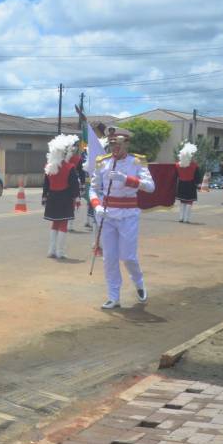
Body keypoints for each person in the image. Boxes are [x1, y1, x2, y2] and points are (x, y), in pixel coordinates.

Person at [89, 127, 154, 309]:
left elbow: (150, 187)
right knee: (109, 257)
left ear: (126, 143)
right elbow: (93, 188)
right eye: (111, 144)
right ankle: (113, 296)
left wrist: (126, 179)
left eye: (117, 144)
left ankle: (139, 282)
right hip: (108, 214)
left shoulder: (137, 162)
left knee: (128, 257)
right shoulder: (102, 162)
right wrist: (97, 205)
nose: (114, 148)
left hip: (128, 214)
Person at [42, 134, 81, 259]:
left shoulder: (49, 167)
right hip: (64, 197)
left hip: (52, 197)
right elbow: (74, 185)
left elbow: (46, 184)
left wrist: (44, 197)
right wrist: (77, 198)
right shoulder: (70, 167)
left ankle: (51, 250)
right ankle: (60, 251)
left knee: (54, 223)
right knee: (63, 224)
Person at [175, 142, 201, 223]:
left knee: (182, 201)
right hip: (191, 184)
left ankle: (181, 218)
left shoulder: (177, 165)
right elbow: (197, 177)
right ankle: (187, 219)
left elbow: (175, 175)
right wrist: (198, 185)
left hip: (181, 184)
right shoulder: (195, 165)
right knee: (189, 201)